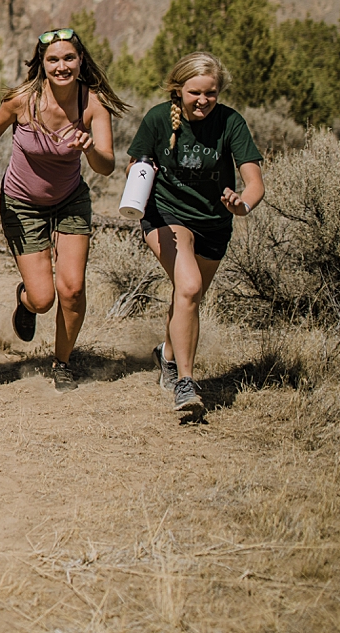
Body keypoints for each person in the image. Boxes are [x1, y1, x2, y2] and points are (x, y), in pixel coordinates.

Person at [0, 27, 128, 390]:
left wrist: (89, 147)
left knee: (71, 289)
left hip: (70, 199)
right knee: (43, 298)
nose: (61, 66)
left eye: (68, 58)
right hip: (22, 203)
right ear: (41, 63)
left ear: (80, 60)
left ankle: (62, 362)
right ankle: (25, 302)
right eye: (53, 59)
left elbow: (106, 165)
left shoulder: (92, 105)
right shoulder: (22, 100)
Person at [129, 51, 264, 415]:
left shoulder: (231, 123)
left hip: (215, 223)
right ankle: (186, 383)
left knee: (190, 297)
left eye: (211, 93)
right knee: (188, 287)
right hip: (166, 215)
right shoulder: (158, 119)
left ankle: (167, 355)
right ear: (178, 91)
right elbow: (137, 164)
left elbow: (254, 183)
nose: (203, 100)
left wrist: (242, 204)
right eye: (195, 93)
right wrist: (138, 187)